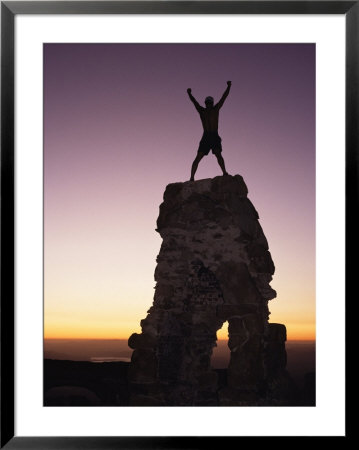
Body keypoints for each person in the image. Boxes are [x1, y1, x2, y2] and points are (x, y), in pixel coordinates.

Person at [187, 81, 231, 181]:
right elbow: (194, 102)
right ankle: (192, 177)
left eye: (210, 103)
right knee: (198, 157)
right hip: (206, 136)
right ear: (206, 103)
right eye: (208, 103)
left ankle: (224, 172)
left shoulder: (216, 109)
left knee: (218, 154)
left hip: (214, 135)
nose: (209, 104)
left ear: (212, 103)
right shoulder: (202, 111)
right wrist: (189, 93)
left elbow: (224, 97)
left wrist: (229, 86)